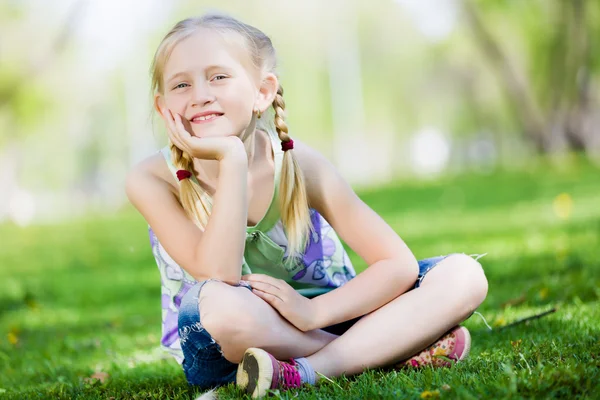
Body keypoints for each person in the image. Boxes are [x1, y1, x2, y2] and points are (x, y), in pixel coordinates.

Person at [125, 13, 489, 399]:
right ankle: (384, 349)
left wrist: (315, 313)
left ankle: (311, 369)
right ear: (164, 108)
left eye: (218, 77)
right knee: (218, 305)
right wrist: (231, 159)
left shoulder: (301, 166)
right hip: (228, 342)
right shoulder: (151, 179)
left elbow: (397, 265)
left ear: (262, 92)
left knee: (464, 275)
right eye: (181, 84)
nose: (200, 94)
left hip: (330, 317)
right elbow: (220, 274)